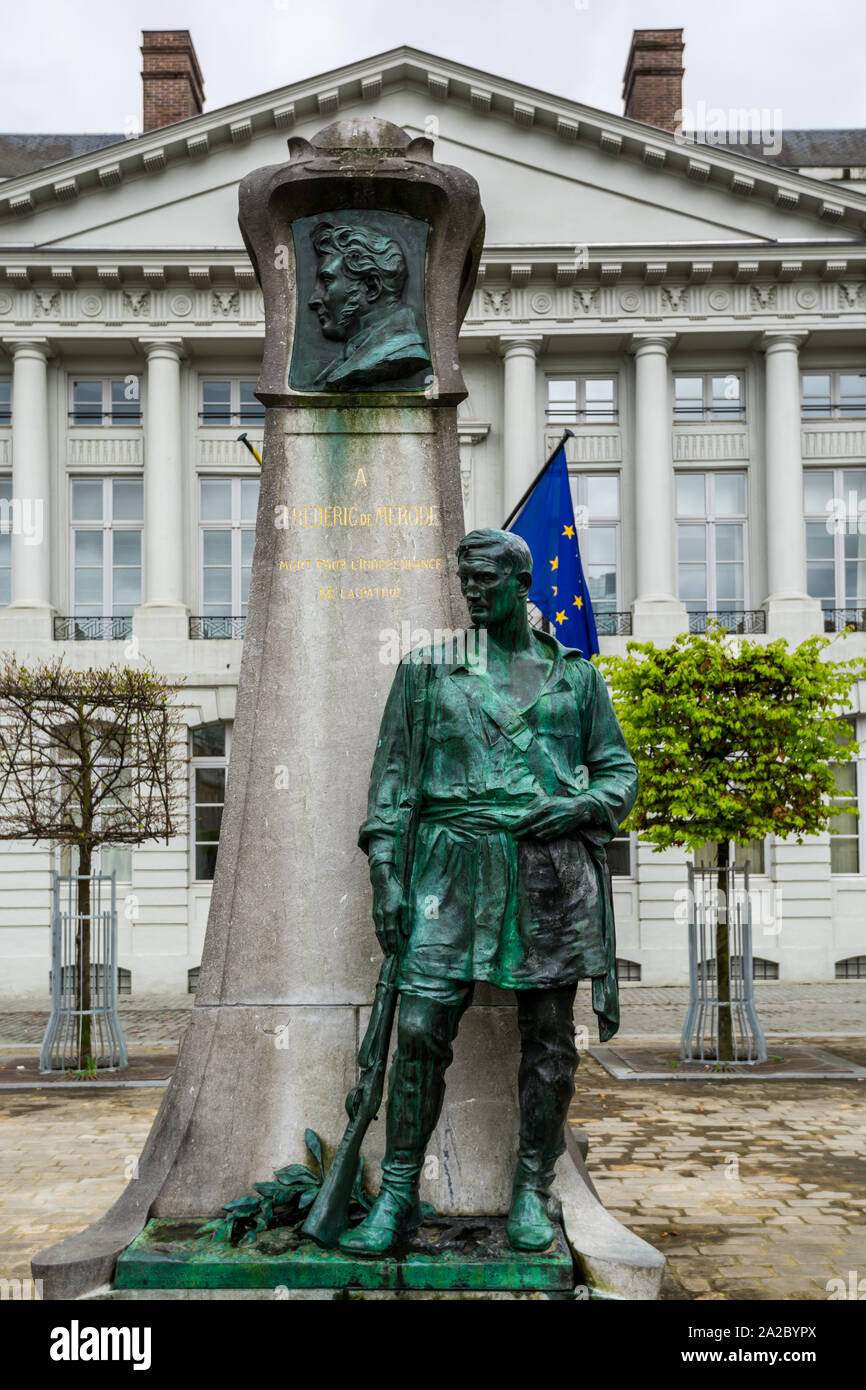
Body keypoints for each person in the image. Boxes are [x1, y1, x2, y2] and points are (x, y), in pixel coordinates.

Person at [340, 527, 638, 1255]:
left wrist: (580, 807)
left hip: (549, 875)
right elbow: (390, 786)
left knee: (549, 1042)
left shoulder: (575, 676)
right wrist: (386, 877)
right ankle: (400, 1194)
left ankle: (532, 1189)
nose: (473, 592)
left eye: (486, 581)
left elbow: (618, 774)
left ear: (521, 583)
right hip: (448, 867)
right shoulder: (428, 673)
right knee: (417, 1031)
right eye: (465, 580)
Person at [306, 220, 431, 390]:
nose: (313, 300)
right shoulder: (352, 354)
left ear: (372, 287)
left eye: (327, 282)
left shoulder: (402, 353)